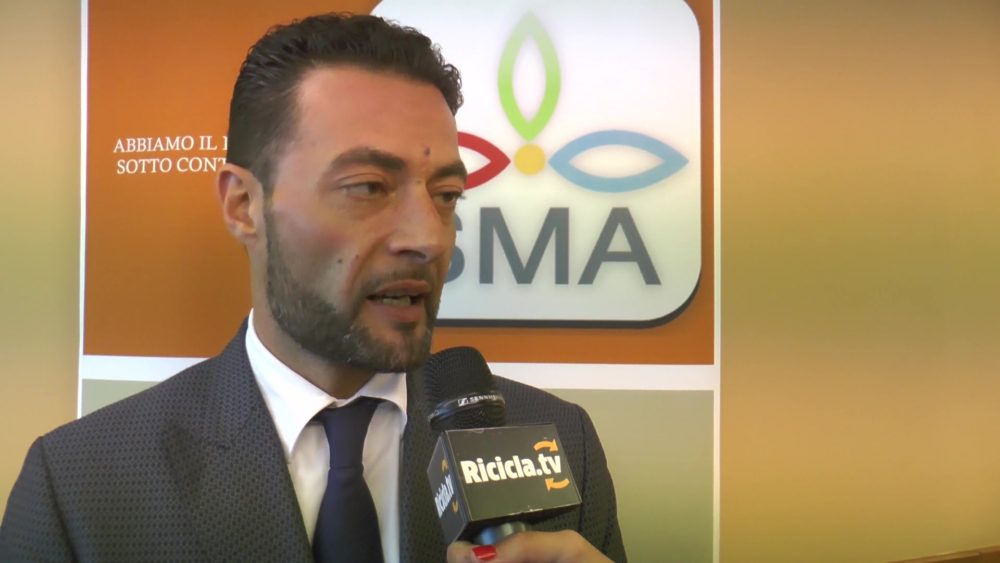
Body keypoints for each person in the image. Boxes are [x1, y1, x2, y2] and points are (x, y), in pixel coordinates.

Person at [0, 13, 625, 563]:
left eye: (446, 195)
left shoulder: (559, 444)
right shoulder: (79, 488)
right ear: (244, 206)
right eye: (368, 187)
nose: (430, 239)